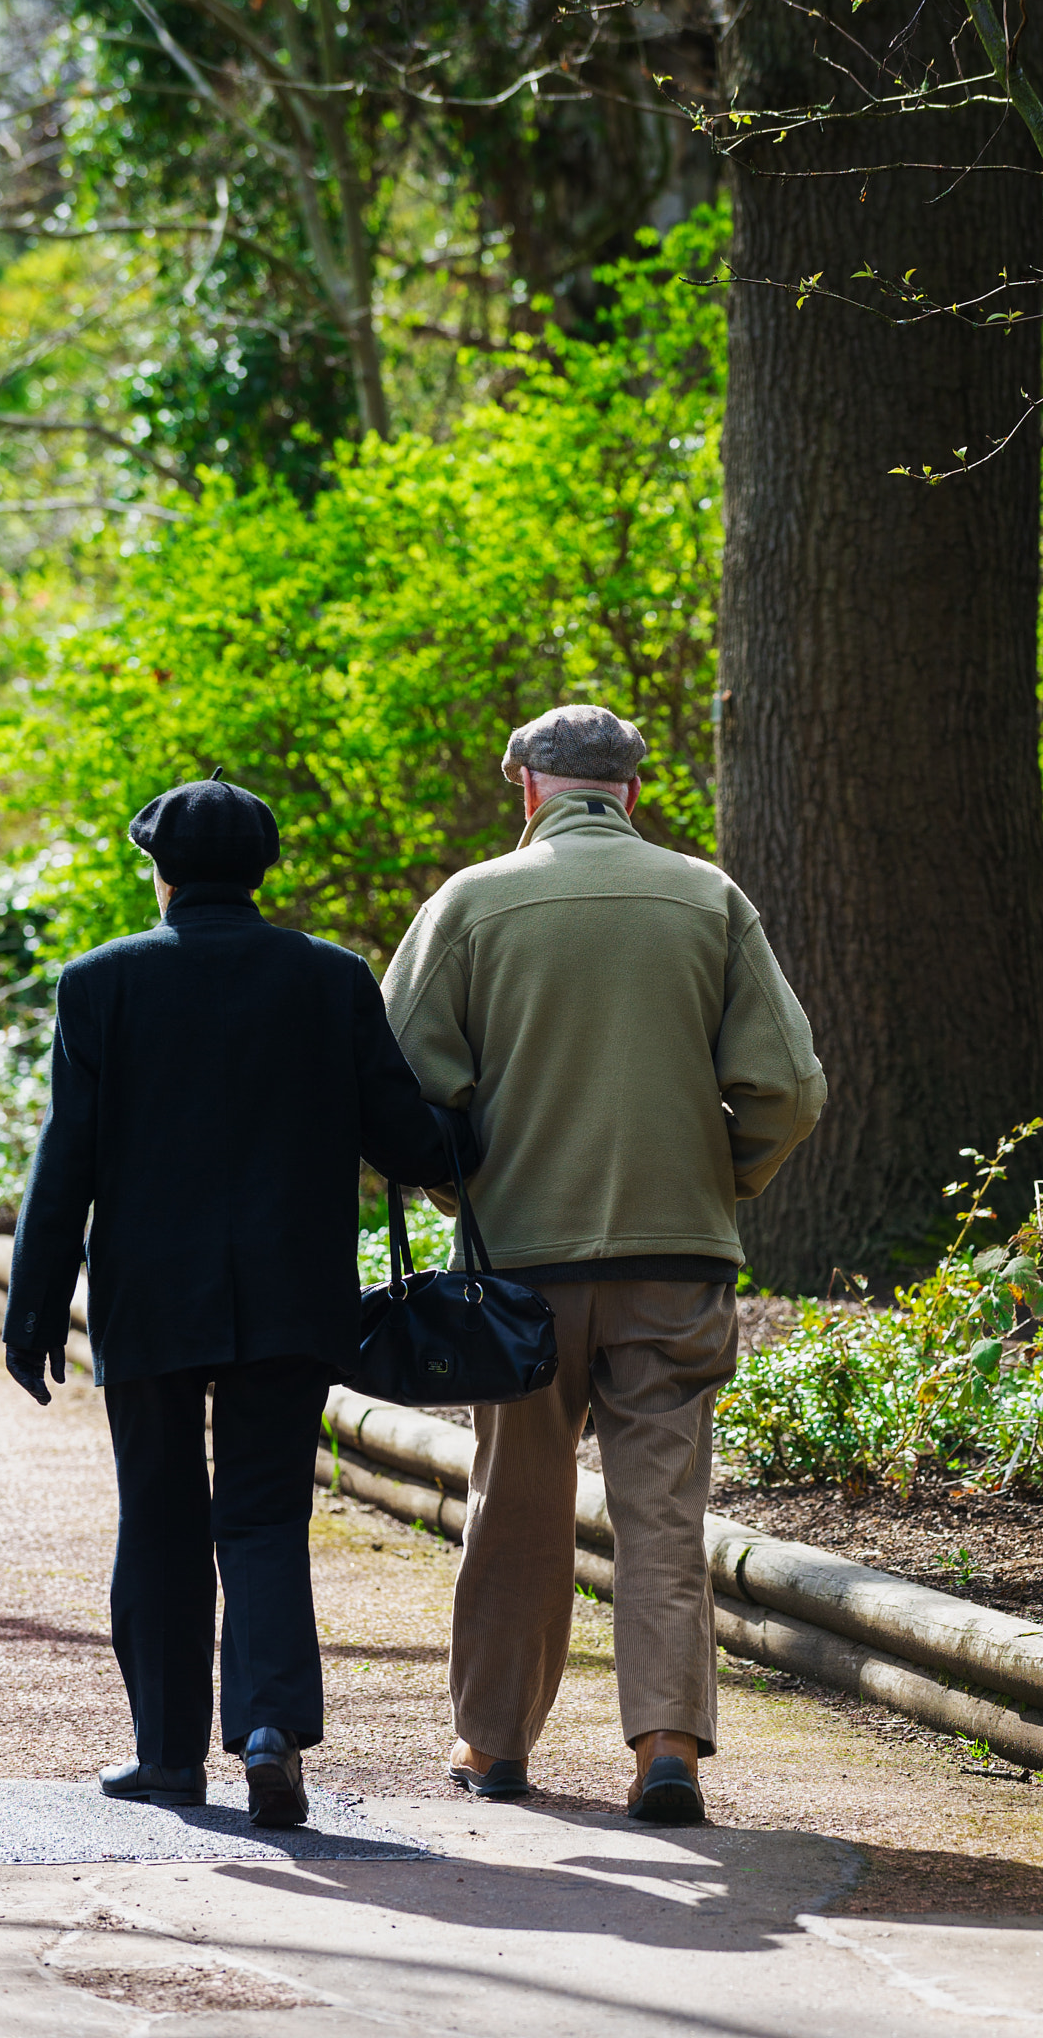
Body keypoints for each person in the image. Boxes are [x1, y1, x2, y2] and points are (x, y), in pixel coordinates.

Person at [383, 704, 825, 1824]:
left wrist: (467, 1193)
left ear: (526, 785)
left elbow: (399, 1091)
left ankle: (491, 1744)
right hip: (675, 1259)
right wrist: (721, 1180)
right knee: (664, 1506)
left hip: (519, 1266)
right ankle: (665, 1744)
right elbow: (788, 1084)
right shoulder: (709, 899)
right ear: (633, 790)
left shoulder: (470, 903)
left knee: (516, 1503)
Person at [2, 773, 471, 1826]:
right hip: (291, 1299)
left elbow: (63, 1160)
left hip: (149, 1303)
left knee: (159, 1517)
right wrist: (476, 1135)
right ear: (264, 872)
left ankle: (168, 1757)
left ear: (158, 871)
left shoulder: (100, 981)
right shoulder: (329, 978)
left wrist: (33, 1312)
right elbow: (405, 1138)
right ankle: (268, 1728)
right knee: (264, 1512)